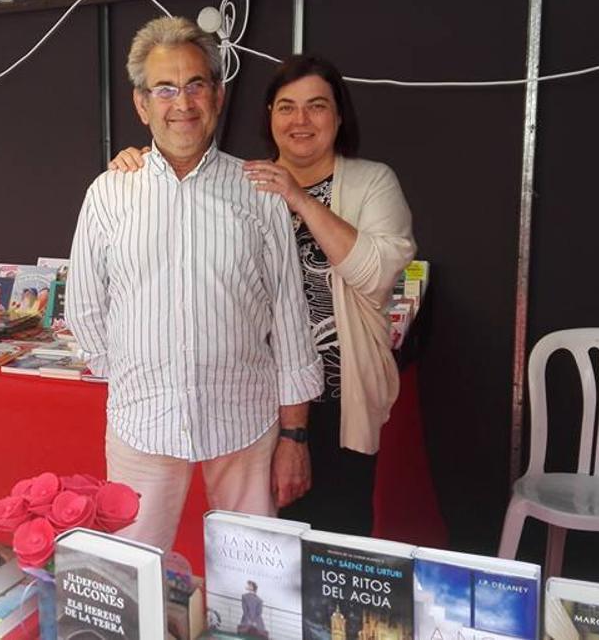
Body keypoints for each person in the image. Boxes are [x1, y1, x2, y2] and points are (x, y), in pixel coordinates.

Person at [108, 55, 415, 535]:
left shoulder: (371, 181)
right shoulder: (246, 184)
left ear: (339, 115)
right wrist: (143, 165)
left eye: (317, 106)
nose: (300, 120)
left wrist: (299, 198)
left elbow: (375, 273)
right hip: (256, 405)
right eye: (286, 107)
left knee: (334, 536)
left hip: (340, 395)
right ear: (269, 115)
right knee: (263, 542)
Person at [68, 17, 323, 551]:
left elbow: (290, 321)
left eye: (194, 85)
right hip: (142, 425)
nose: (181, 103)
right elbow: (85, 310)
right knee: (134, 567)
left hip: (245, 421)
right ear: (142, 104)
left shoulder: (260, 191)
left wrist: (294, 434)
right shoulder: (109, 194)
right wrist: (140, 376)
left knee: (254, 572)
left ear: (218, 95)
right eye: (164, 89)